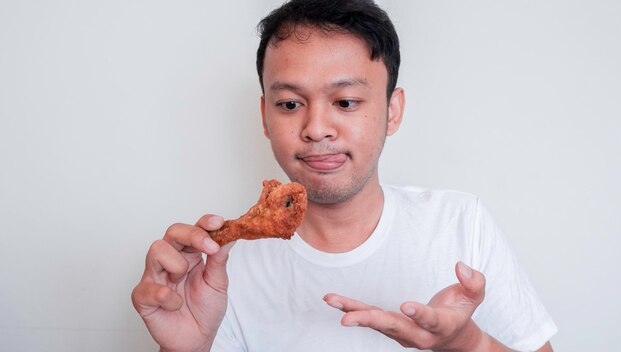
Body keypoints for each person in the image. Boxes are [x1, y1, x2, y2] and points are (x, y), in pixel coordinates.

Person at [131, 0, 558, 351]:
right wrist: (186, 348)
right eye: (290, 104)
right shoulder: (217, 269)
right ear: (264, 115)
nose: (316, 128)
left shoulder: (461, 225)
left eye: (347, 101)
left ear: (393, 111)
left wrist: (468, 344)